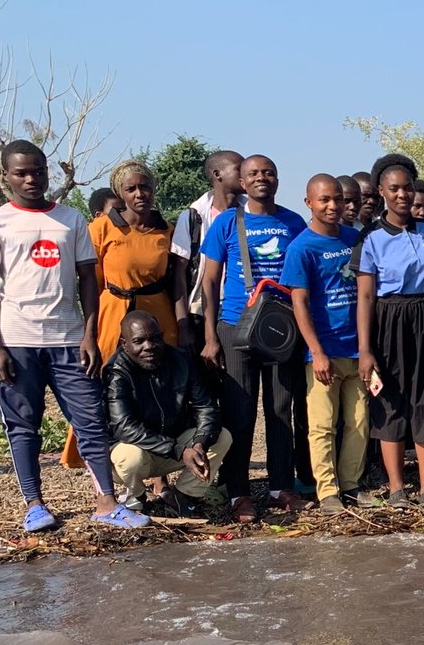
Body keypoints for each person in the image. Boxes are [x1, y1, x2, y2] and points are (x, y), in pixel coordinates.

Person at [0, 139, 149, 531]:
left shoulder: (70, 219)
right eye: (21, 173)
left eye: (38, 171)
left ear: (48, 172)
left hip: (69, 340)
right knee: (23, 426)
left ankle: (106, 502)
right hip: (16, 342)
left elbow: (89, 279)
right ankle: (34, 504)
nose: (31, 179)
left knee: (91, 422)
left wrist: (89, 335)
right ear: (6, 176)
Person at [200, 154, 311, 522]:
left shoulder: (293, 222)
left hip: (281, 328)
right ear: (242, 183)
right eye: (253, 174)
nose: (262, 178)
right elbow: (210, 282)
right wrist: (211, 337)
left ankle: (281, 488)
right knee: (240, 413)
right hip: (235, 326)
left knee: (280, 410)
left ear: (278, 180)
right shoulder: (227, 223)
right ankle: (238, 493)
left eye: (269, 172)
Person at [61, 158, 188, 470]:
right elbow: (89, 282)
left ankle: (158, 467)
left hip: (157, 314)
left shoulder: (166, 231)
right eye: (131, 189)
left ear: (153, 189)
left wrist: (183, 328)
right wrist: (88, 332)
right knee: (103, 386)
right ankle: (102, 464)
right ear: (121, 192)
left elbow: (177, 283)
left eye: (144, 186)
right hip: (112, 315)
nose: (139, 194)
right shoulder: (101, 228)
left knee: (158, 389)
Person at [355, 153, 424, 509]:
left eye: (408, 187)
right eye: (395, 189)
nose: (403, 195)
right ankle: (396, 488)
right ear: (381, 192)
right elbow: (364, 296)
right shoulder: (371, 237)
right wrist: (365, 349)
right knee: (390, 402)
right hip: (388, 320)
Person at [280, 174, 366, 515]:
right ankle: (328, 491)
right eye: (324, 200)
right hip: (323, 354)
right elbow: (299, 303)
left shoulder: (354, 238)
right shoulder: (302, 248)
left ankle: (352, 485)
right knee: (322, 425)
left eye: (338, 200)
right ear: (309, 203)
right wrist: (316, 352)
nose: (333, 206)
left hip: (357, 350)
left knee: (359, 423)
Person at [105, 310, 229, 515]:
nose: (149, 347)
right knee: (130, 456)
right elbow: (124, 428)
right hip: (137, 453)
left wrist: (199, 443)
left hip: (172, 446)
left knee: (223, 437)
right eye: (139, 341)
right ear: (124, 344)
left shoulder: (181, 361)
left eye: (155, 338)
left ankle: (184, 496)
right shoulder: (117, 372)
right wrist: (180, 450)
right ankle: (136, 495)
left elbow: (206, 407)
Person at [169, 150, 245, 334]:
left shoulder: (251, 213)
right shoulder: (192, 218)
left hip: (241, 308)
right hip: (200, 310)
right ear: (217, 174)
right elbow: (179, 274)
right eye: (239, 169)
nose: (246, 174)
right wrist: (183, 324)